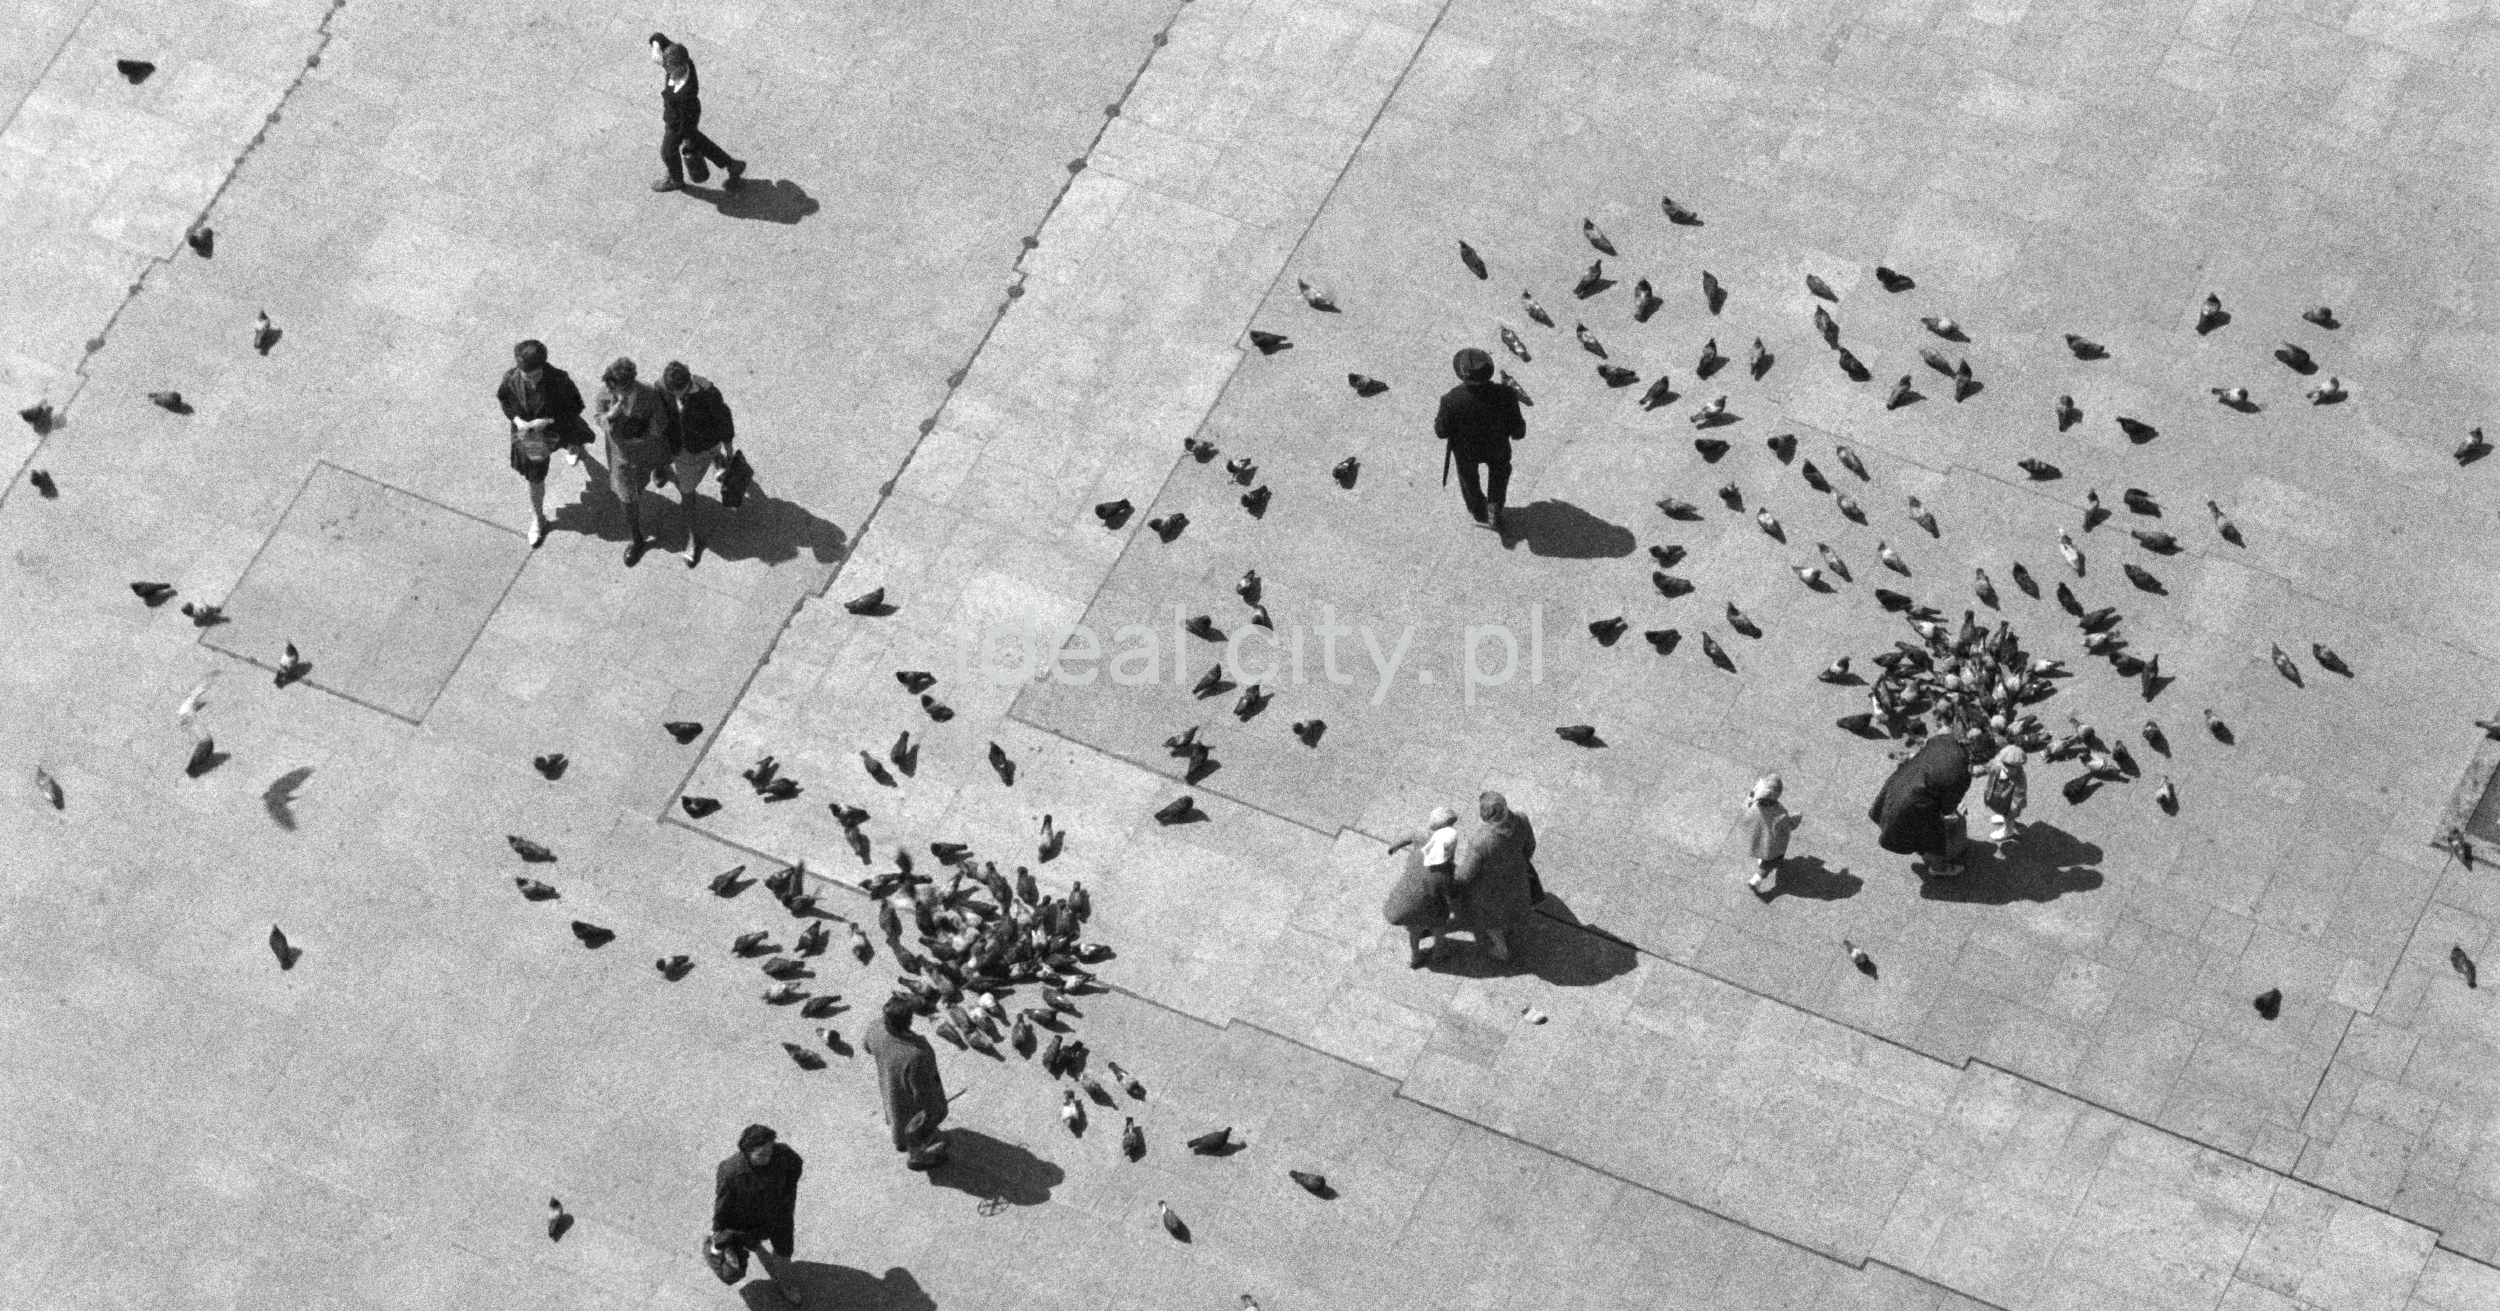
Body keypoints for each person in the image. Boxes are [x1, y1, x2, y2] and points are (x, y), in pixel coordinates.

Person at [495, 340, 593, 547]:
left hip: (558, 427)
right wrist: (517, 420)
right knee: (535, 477)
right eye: (527, 376)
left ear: (543, 366)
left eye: (537, 375)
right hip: (530, 435)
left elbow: (575, 407)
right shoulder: (511, 379)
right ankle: (539, 519)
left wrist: (548, 421)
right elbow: (504, 401)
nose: (532, 381)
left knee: (573, 440)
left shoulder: (560, 380)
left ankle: (575, 447)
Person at [709, 1124, 805, 1306]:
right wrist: (719, 1233)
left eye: (770, 1151)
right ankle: (756, 1247)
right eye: (761, 1155)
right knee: (749, 1247)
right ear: (747, 1152)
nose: (768, 1158)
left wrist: (787, 1195)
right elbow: (723, 1205)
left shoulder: (783, 1154)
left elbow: (796, 1166)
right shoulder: (731, 1172)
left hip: (780, 1217)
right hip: (750, 1222)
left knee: (784, 1252)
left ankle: (785, 1285)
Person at [1432, 347, 1526, 532]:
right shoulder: (1506, 393)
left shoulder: (1451, 400)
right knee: (1499, 474)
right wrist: (1514, 433)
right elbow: (1518, 429)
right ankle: (1494, 508)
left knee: (1469, 479)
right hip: (1497, 447)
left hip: (1467, 451)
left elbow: (1441, 432)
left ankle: (1477, 510)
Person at [595, 357, 678, 565]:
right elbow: (599, 418)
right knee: (627, 499)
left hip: (644, 453)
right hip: (620, 458)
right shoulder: (606, 395)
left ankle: (659, 470)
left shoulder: (648, 394)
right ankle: (637, 539)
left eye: (619, 388)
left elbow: (661, 422)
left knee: (640, 485)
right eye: (611, 386)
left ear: (630, 383)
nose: (613, 391)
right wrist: (611, 414)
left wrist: (646, 432)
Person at [657, 361, 736, 567]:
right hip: (683, 453)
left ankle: (717, 459)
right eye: (670, 391)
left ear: (687, 382)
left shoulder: (708, 395)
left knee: (689, 488)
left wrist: (730, 452)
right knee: (687, 493)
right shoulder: (663, 387)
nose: (675, 396)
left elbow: (724, 422)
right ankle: (694, 536)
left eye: (678, 392)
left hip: (706, 446)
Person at [1869, 727, 1974, 876]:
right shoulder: (1957, 770)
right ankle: (1939, 869)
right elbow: (1947, 808)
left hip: (1903, 788)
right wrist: (1955, 812)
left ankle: (1921, 849)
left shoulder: (1939, 744)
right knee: (1933, 839)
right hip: (1915, 804)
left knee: (1908, 823)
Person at [649, 33, 744, 193]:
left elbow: (686, 124)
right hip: (685, 116)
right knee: (698, 141)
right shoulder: (685, 62)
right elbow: (658, 37)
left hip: (680, 121)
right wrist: (656, 50)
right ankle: (732, 165)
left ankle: (676, 180)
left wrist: (682, 136)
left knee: (668, 151)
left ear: (677, 67)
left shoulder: (685, 93)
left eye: (668, 67)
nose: (665, 68)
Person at [864, 996, 951, 1169]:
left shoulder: (875, 1027)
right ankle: (918, 1159)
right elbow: (923, 1093)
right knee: (916, 1129)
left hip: (889, 1086)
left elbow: (867, 1047)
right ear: (909, 1020)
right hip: (910, 1103)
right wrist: (936, 1112)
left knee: (895, 1115)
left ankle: (901, 1142)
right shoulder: (915, 1054)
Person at [1453, 790, 1537, 961]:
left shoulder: (1481, 842)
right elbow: (1530, 847)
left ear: (1485, 815)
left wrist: (1450, 871)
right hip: (1517, 878)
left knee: (1491, 920)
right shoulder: (1521, 818)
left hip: (1491, 890)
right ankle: (1510, 925)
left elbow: (1464, 876)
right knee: (1512, 908)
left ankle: (1501, 950)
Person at [1381, 806, 1461, 967]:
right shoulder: (1443, 872)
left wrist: (1394, 847)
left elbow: (1408, 836)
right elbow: (1449, 892)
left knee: (1415, 930)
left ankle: (1416, 957)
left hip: (1407, 902)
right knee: (1439, 924)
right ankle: (1438, 953)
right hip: (1428, 905)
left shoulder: (1421, 835)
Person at [1742, 775, 1804, 897]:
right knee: (1769, 862)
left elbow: (1745, 806)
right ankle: (1757, 879)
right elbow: (1789, 825)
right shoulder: (1779, 814)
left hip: (1756, 836)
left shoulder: (1753, 805)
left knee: (1761, 851)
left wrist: (1750, 796)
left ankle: (1761, 858)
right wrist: (1797, 818)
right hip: (1772, 846)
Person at [1980, 744, 2028, 843]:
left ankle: (2008, 832)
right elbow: (1987, 767)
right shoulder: (1996, 764)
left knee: (2009, 818)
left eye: (2013, 767)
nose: (2007, 770)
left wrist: (2012, 810)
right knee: (2000, 810)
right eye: (2006, 765)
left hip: (2009, 803)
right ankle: (2003, 815)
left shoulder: (2020, 778)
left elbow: (2019, 795)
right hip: (1998, 798)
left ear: (2019, 766)